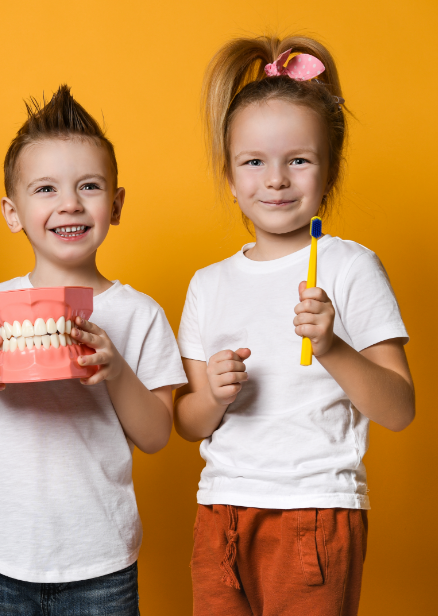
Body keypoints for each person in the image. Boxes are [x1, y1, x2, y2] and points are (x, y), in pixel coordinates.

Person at [174, 35, 415, 616]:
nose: (276, 179)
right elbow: (185, 421)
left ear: (328, 171)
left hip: (317, 510)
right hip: (221, 513)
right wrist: (216, 396)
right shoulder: (208, 284)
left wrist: (331, 347)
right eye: (254, 161)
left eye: (298, 160)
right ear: (230, 176)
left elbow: (399, 408)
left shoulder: (350, 267)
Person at [0, 85, 187, 615]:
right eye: (46, 189)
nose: (70, 203)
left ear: (115, 204)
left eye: (89, 186)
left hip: (101, 559)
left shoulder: (140, 314)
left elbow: (157, 434)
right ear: (12, 212)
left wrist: (116, 371)